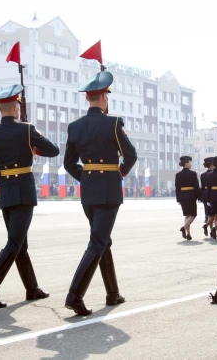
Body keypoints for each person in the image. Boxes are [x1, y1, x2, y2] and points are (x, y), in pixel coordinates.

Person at [0, 85, 60, 307]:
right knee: (14, 242)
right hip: (23, 191)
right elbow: (53, 150)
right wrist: (34, 146)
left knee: (19, 242)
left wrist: (3, 176)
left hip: (6, 191)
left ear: (1, 109)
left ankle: (31, 288)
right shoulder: (27, 129)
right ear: (16, 108)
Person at [63, 71, 137, 315]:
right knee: (98, 241)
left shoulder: (74, 127)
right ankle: (75, 295)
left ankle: (112, 293)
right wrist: (119, 174)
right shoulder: (114, 123)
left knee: (103, 240)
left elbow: (69, 164)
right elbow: (131, 155)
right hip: (108, 189)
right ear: (105, 96)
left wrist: (86, 177)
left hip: (89, 190)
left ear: (87, 98)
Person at [175, 155, 201, 240]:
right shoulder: (193, 173)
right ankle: (184, 227)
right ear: (186, 164)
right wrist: (199, 196)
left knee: (187, 215)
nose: (191, 165)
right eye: (190, 163)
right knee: (193, 214)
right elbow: (196, 186)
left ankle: (188, 234)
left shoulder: (178, 174)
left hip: (182, 195)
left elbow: (177, 187)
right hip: (191, 195)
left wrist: (178, 198)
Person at [200, 157, 215, 236]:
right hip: (214, 193)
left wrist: (200, 197)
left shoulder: (202, 175)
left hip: (205, 194)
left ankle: (210, 228)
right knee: (215, 213)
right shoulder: (214, 174)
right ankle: (213, 230)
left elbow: (202, 187)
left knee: (208, 213)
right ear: (212, 165)